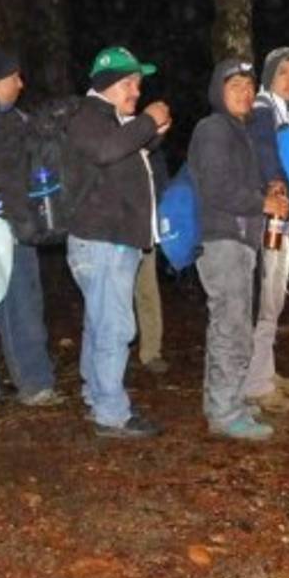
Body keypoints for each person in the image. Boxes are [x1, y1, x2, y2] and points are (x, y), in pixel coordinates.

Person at [67, 46, 170, 438]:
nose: (136, 91)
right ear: (106, 83)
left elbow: (125, 159)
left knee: (101, 322)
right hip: (102, 242)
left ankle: (97, 395)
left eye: (139, 85)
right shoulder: (88, 117)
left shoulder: (110, 120)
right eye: (129, 83)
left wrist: (153, 134)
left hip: (112, 241)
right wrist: (147, 121)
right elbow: (108, 151)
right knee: (115, 326)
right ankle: (112, 412)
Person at [190, 59, 289, 440]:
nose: (245, 93)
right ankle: (226, 412)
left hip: (237, 241)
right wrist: (261, 202)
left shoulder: (239, 132)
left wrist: (270, 192)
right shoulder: (214, 129)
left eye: (250, 87)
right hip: (222, 241)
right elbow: (217, 188)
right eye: (235, 86)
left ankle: (222, 400)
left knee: (229, 326)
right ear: (218, 91)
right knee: (232, 330)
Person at [0, 48, 62, 414]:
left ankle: (35, 382)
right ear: (1, 79)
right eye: (16, 76)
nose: (21, 83)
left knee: (25, 305)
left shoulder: (19, 120)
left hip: (19, 229)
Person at [245, 46, 289, 413]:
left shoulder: (285, 114)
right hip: (266, 219)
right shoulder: (262, 111)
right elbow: (269, 162)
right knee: (264, 303)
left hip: (282, 218)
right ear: (269, 77)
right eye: (284, 72)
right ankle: (257, 384)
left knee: (273, 303)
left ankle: (264, 370)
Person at [134, 147, 170, 375]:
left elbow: (162, 189)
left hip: (145, 230)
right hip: (113, 233)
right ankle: (115, 351)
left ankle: (151, 351)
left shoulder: (154, 152)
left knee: (147, 290)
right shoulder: (111, 139)